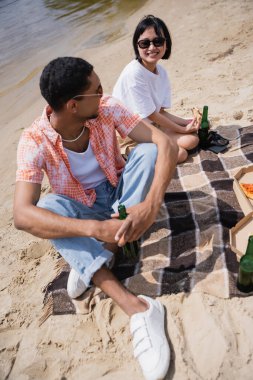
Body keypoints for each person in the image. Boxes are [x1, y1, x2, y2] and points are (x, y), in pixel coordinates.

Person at [14, 57, 178, 380]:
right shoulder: (33, 140)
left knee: (148, 152)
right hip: (84, 211)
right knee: (46, 205)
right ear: (73, 105)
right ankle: (139, 308)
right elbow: (21, 214)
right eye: (96, 90)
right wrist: (96, 227)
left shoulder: (107, 108)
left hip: (121, 198)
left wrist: (150, 205)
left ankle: (97, 257)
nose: (104, 93)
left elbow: (165, 144)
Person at [113, 14, 199, 163]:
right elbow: (152, 114)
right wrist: (182, 129)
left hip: (150, 125)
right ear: (137, 46)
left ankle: (158, 146)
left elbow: (159, 112)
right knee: (180, 154)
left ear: (166, 44)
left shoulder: (161, 72)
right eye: (145, 43)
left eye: (158, 41)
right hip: (129, 133)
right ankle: (133, 155)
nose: (152, 48)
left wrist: (186, 122)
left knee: (191, 141)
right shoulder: (134, 73)